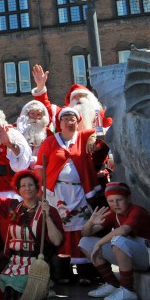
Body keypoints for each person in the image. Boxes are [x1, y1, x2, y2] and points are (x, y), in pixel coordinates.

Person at [36, 106, 102, 280]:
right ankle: (62, 273)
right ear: (60, 122)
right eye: (65, 119)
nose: (69, 122)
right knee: (60, 229)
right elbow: (39, 168)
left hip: (79, 192)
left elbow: (103, 130)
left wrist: (93, 137)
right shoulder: (50, 142)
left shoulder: (83, 137)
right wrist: (42, 189)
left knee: (82, 228)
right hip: (56, 193)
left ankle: (85, 273)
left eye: (73, 119)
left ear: (78, 121)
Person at [0, 170, 64, 300]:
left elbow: (57, 241)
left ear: (37, 187)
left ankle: (45, 287)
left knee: (17, 296)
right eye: (23, 185)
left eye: (30, 185)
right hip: (13, 263)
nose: (27, 188)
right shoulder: (13, 207)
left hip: (35, 264)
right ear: (18, 189)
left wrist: (47, 217)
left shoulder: (49, 210)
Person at [79, 181, 150, 300]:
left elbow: (123, 230)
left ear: (129, 198)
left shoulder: (137, 211)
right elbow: (85, 234)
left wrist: (99, 244)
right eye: (111, 201)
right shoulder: (113, 213)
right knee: (85, 242)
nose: (115, 204)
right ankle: (112, 283)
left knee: (118, 239)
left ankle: (127, 289)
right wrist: (90, 222)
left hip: (149, 257)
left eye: (119, 200)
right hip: (131, 256)